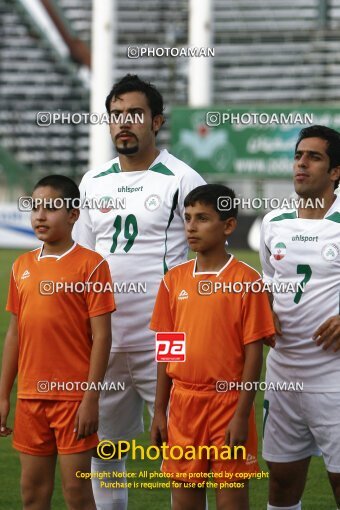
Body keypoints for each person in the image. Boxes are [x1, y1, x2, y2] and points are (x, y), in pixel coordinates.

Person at [72, 74, 205, 509]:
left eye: (134, 114)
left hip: (166, 337)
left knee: (180, 448)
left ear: (157, 121)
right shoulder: (93, 182)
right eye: (115, 115)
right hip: (104, 336)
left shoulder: (182, 178)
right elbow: (83, 262)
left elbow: (206, 258)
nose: (123, 123)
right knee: (105, 447)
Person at [150, 184, 275, 510]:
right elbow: (168, 348)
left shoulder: (247, 281)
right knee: (184, 500)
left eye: (203, 218)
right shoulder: (173, 280)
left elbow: (253, 354)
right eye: (188, 218)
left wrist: (241, 414)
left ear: (228, 226)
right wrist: (159, 411)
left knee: (232, 501)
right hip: (183, 407)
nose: (191, 226)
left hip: (229, 405)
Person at [0, 175, 115, 510]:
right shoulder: (21, 266)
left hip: (73, 400)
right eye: (35, 207)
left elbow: (103, 337)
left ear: (73, 215)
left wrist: (91, 398)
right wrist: (4, 395)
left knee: (77, 494)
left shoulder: (92, 266)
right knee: (32, 494)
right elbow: (14, 334)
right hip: (31, 398)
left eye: (51, 207)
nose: (40, 215)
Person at [260, 125, 340, 510]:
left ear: (336, 171)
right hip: (283, 378)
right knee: (281, 482)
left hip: (333, 380)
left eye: (314, 157)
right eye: (297, 156)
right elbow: (266, 281)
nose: (302, 164)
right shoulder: (273, 223)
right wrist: (263, 309)